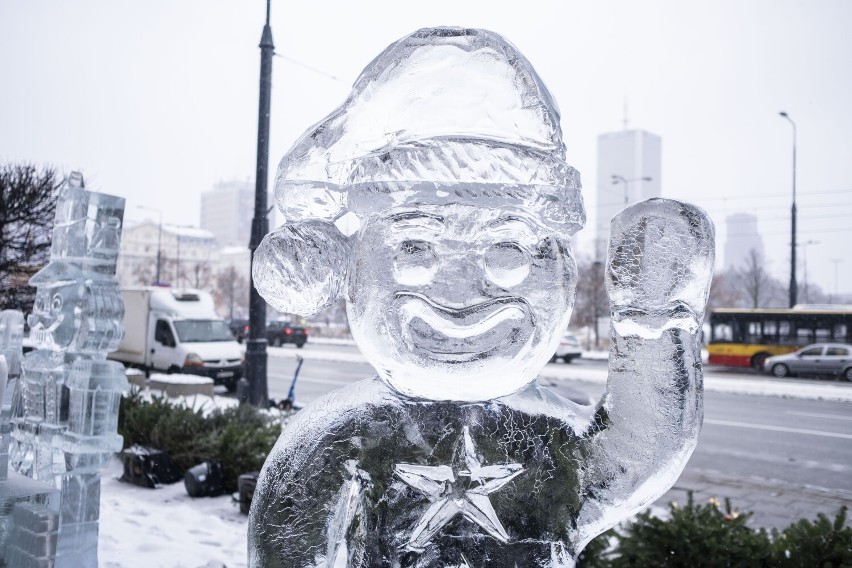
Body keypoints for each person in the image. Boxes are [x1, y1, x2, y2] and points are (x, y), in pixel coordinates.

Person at [249, 27, 714, 568]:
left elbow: (637, 452)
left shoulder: (548, 439)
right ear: (348, 266)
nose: (459, 290)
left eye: (508, 252)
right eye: (416, 249)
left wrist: (655, 323)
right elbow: (285, 539)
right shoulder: (338, 436)